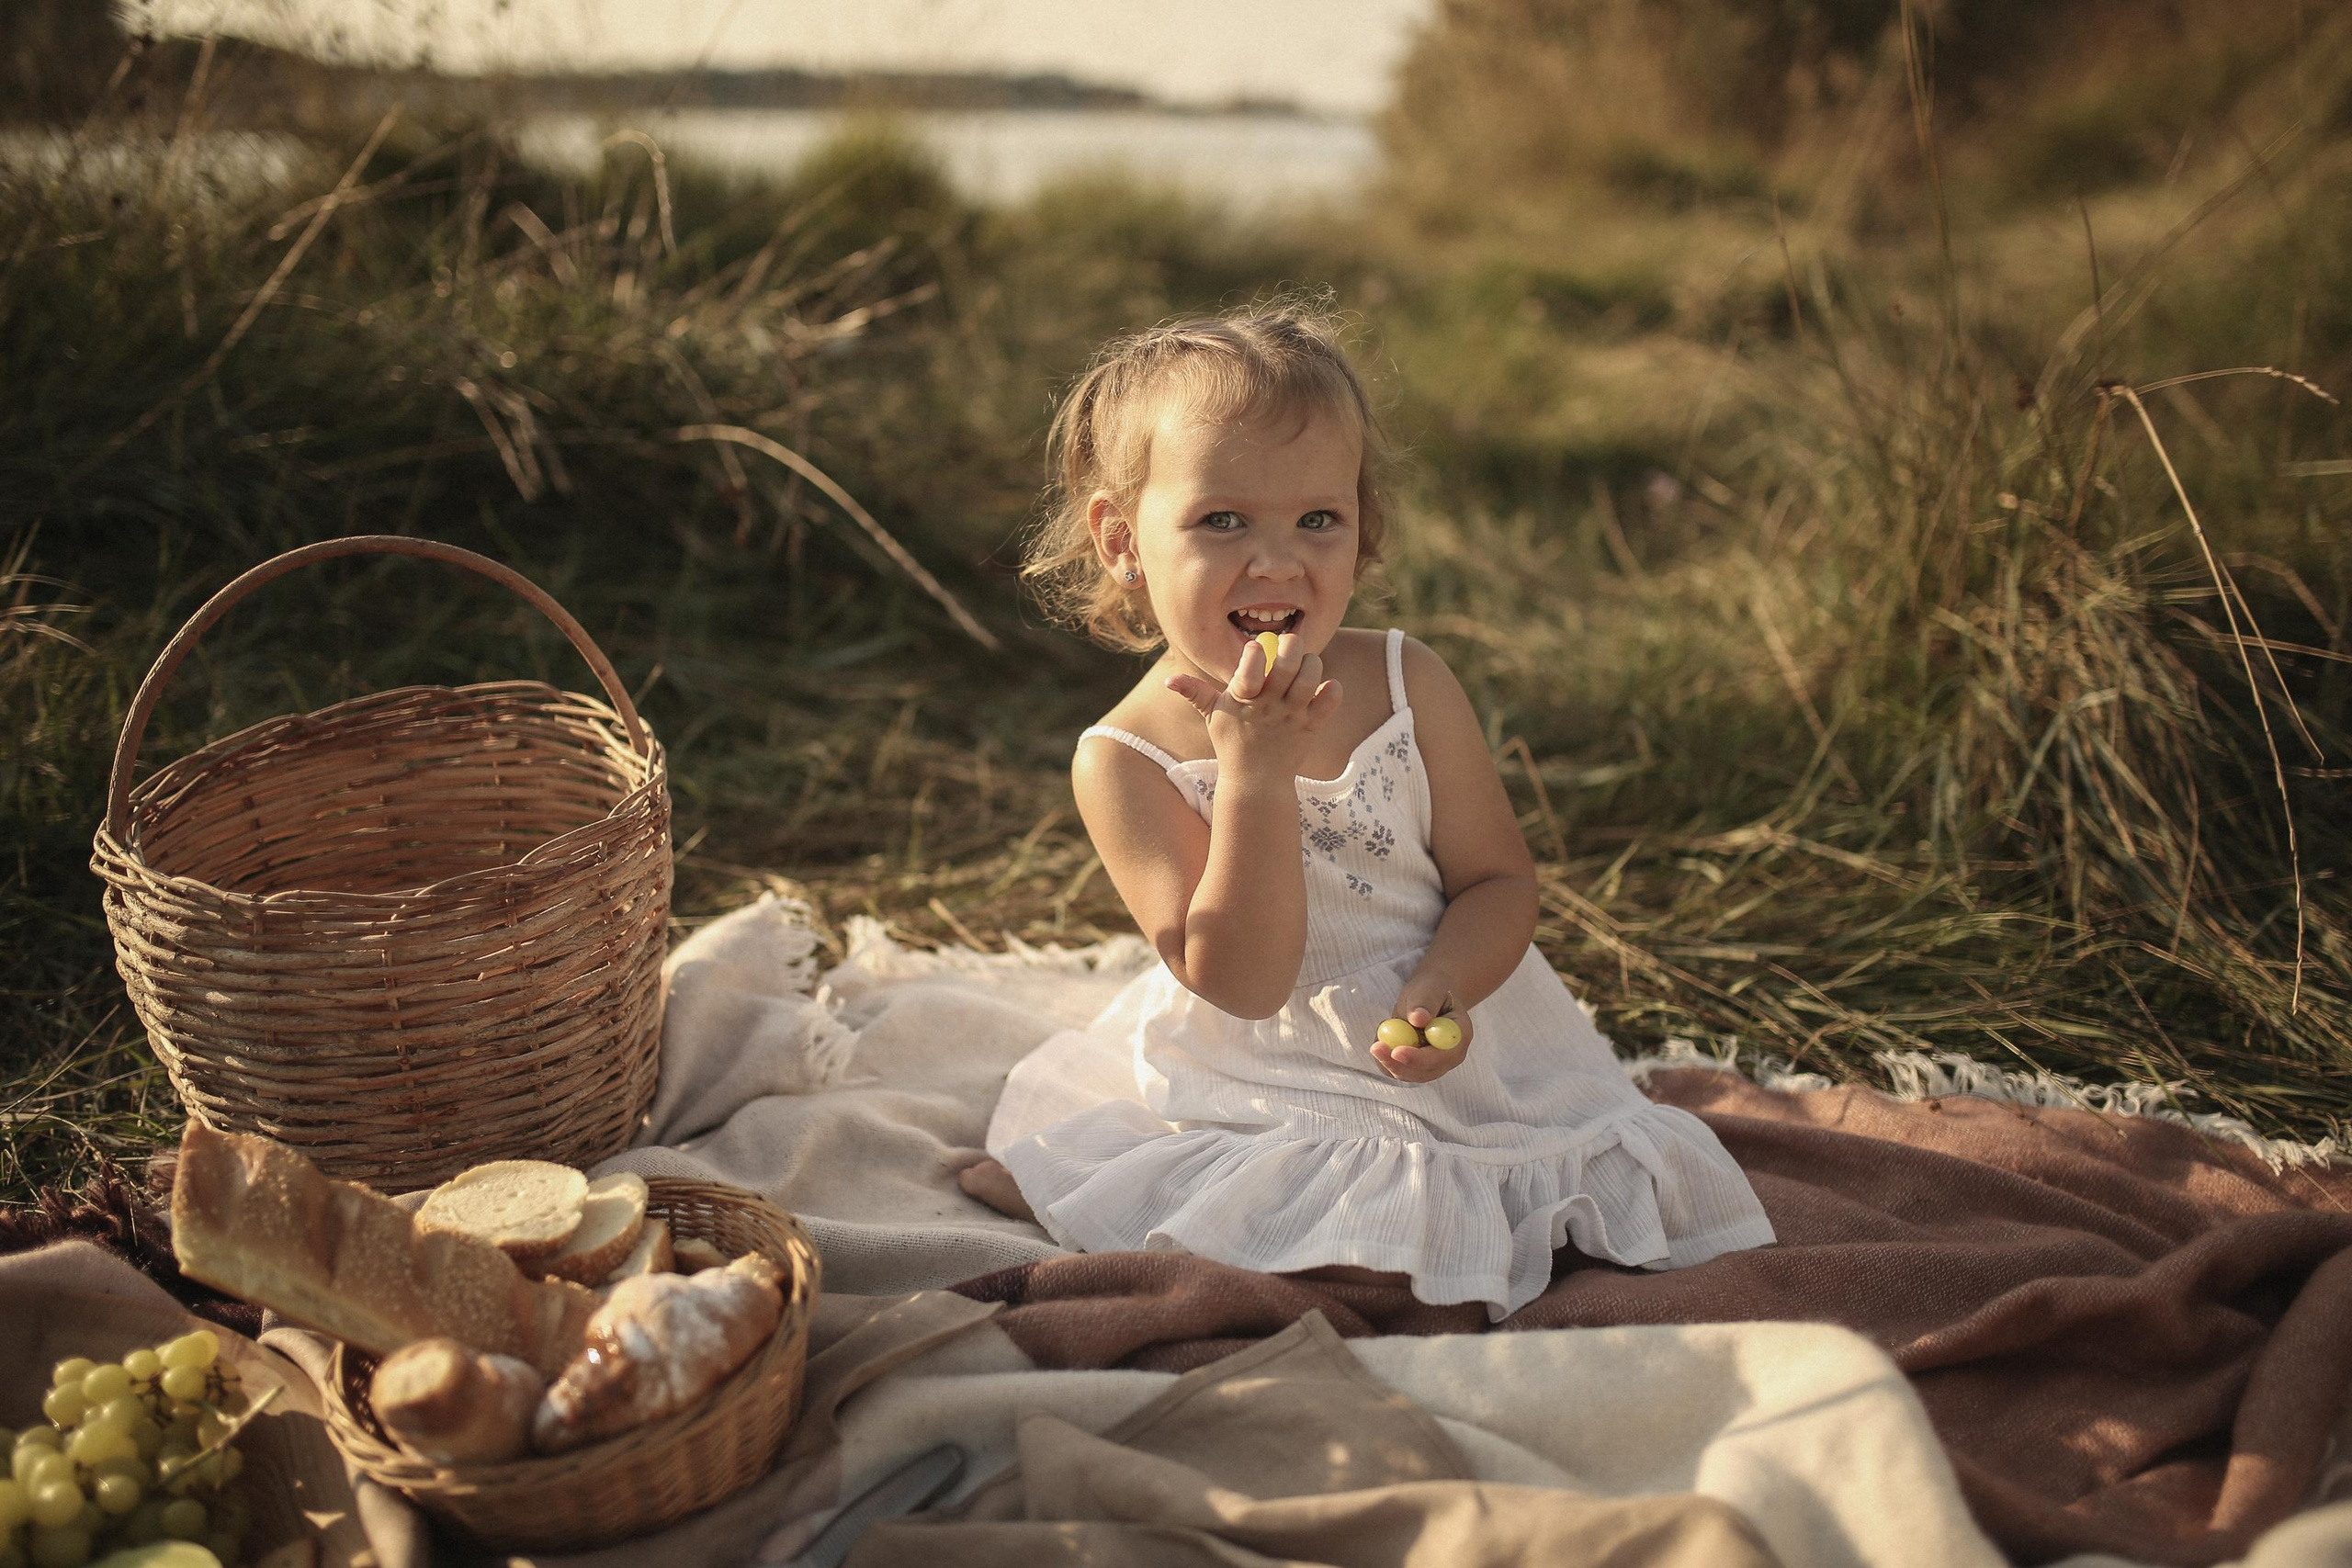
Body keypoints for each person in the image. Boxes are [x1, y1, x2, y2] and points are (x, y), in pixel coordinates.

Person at [956, 303, 1774, 1317]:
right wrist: (1253, 773)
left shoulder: (1403, 680)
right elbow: (1244, 985)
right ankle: (1086, 1181)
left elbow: (1496, 880)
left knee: (1566, 1204)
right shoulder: (1123, 759)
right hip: (1267, 1053)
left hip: (1448, 1013)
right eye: (1221, 520)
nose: (1276, 561)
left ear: (1361, 526)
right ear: (1124, 541)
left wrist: (1447, 986)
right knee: (1344, 1241)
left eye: (1316, 520)